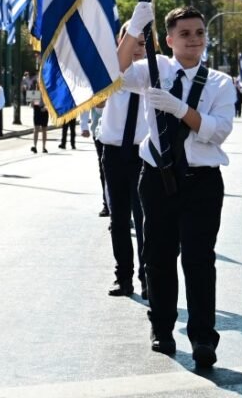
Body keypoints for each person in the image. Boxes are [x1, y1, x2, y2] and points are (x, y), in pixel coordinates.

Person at [119, 3, 235, 369]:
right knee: (158, 256)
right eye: (184, 34)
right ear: (168, 40)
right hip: (157, 177)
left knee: (200, 260)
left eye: (199, 32)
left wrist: (179, 108)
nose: (194, 40)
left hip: (201, 181)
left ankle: (203, 338)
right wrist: (134, 29)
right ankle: (162, 328)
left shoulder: (220, 82)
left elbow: (218, 131)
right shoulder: (154, 69)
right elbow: (115, 73)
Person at [99, 23, 149, 298]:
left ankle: (147, 277)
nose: (138, 49)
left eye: (143, 43)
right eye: (132, 42)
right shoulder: (111, 72)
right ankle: (124, 277)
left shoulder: (156, 71)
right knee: (118, 220)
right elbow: (95, 102)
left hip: (143, 155)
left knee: (145, 220)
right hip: (114, 153)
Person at [29, 77, 50, 153]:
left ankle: (44, 147)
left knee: (44, 129)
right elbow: (31, 105)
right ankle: (34, 146)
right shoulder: (35, 92)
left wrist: (46, 107)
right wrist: (32, 101)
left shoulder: (47, 91)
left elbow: (50, 103)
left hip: (44, 111)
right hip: (37, 110)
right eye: (38, 82)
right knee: (36, 128)